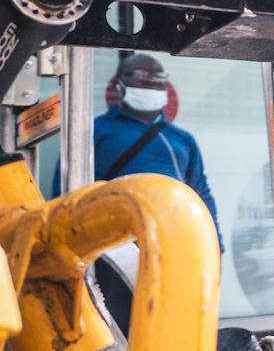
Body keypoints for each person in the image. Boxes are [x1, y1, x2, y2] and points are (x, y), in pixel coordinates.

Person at [54, 54, 220, 245]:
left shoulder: (182, 139)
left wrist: (215, 243)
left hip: (173, 239)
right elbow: (65, 188)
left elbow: (201, 192)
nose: (150, 83)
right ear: (119, 86)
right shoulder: (92, 130)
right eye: (141, 78)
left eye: (157, 79)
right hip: (110, 241)